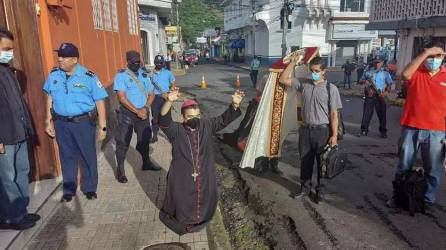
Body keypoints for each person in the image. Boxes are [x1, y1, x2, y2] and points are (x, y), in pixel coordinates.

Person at [158, 88, 244, 235]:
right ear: (183, 118)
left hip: (203, 170)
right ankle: (185, 220)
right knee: (181, 198)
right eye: (190, 116)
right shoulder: (176, 130)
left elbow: (223, 120)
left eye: (197, 115)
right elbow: (164, 119)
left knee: (204, 195)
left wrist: (234, 105)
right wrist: (169, 101)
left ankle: (200, 218)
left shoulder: (206, 125)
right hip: (182, 173)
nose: (195, 119)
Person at [43, 42, 108, 202]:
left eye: (64, 57)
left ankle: (90, 188)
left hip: (83, 123)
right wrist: (48, 120)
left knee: (87, 155)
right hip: (61, 124)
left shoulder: (89, 77)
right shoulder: (54, 75)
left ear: (74, 59)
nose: (60, 60)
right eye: (59, 56)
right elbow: (50, 97)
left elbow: (100, 101)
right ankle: (69, 190)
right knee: (66, 156)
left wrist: (102, 126)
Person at [387, 42, 446, 209]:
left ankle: (427, 200)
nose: (433, 59)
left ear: (443, 57)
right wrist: (426, 52)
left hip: (437, 131)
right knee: (404, 165)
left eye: (437, 56)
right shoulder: (416, 72)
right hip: (411, 127)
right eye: (430, 57)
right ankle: (398, 196)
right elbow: (405, 75)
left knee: (433, 169)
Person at [280, 55, 342, 198]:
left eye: (316, 71)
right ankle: (305, 188)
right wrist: (293, 63)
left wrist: (334, 136)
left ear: (323, 71)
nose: (313, 73)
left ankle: (320, 191)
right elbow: (283, 79)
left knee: (323, 163)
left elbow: (334, 115)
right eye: (311, 70)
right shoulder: (304, 84)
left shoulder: (331, 89)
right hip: (306, 131)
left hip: (322, 132)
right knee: (305, 162)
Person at [0, 29, 40, 230]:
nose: (10, 52)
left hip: (20, 133)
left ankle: (21, 211)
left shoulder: (8, 70)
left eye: (11, 48)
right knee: (7, 178)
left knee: (22, 171)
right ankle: (12, 217)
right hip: (4, 138)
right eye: (5, 49)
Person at [113, 51, 161, 183]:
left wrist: (145, 108)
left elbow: (151, 94)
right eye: (133, 62)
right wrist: (137, 111)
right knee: (123, 142)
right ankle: (120, 170)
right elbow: (122, 98)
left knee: (144, 140)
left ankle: (146, 163)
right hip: (127, 113)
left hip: (143, 112)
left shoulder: (144, 74)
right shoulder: (121, 76)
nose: (136, 64)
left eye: (138, 62)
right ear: (127, 62)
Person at [359, 58, 393, 138]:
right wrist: (365, 82)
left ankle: (383, 131)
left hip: (380, 95)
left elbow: (389, 85)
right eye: (375, 63)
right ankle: (364, 130)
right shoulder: (368, 73)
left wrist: (385, 93)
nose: (377, 64)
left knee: (382, 115)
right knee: (366, 114)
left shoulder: (385, 73)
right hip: (370, 96)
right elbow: (360, 80)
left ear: (382, 63)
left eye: (379, 63)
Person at [150, 55, 176, 143]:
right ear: (155, 63)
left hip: (165, 98)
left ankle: (171, 135)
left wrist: (172, 89)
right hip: (155, 98)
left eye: (161, 63)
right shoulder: (151, 74)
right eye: (158, 63)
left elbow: (173, 83)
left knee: (167, 117)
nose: (159, 65)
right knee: (155, 117)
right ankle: (154, 135)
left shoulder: (168, 73)